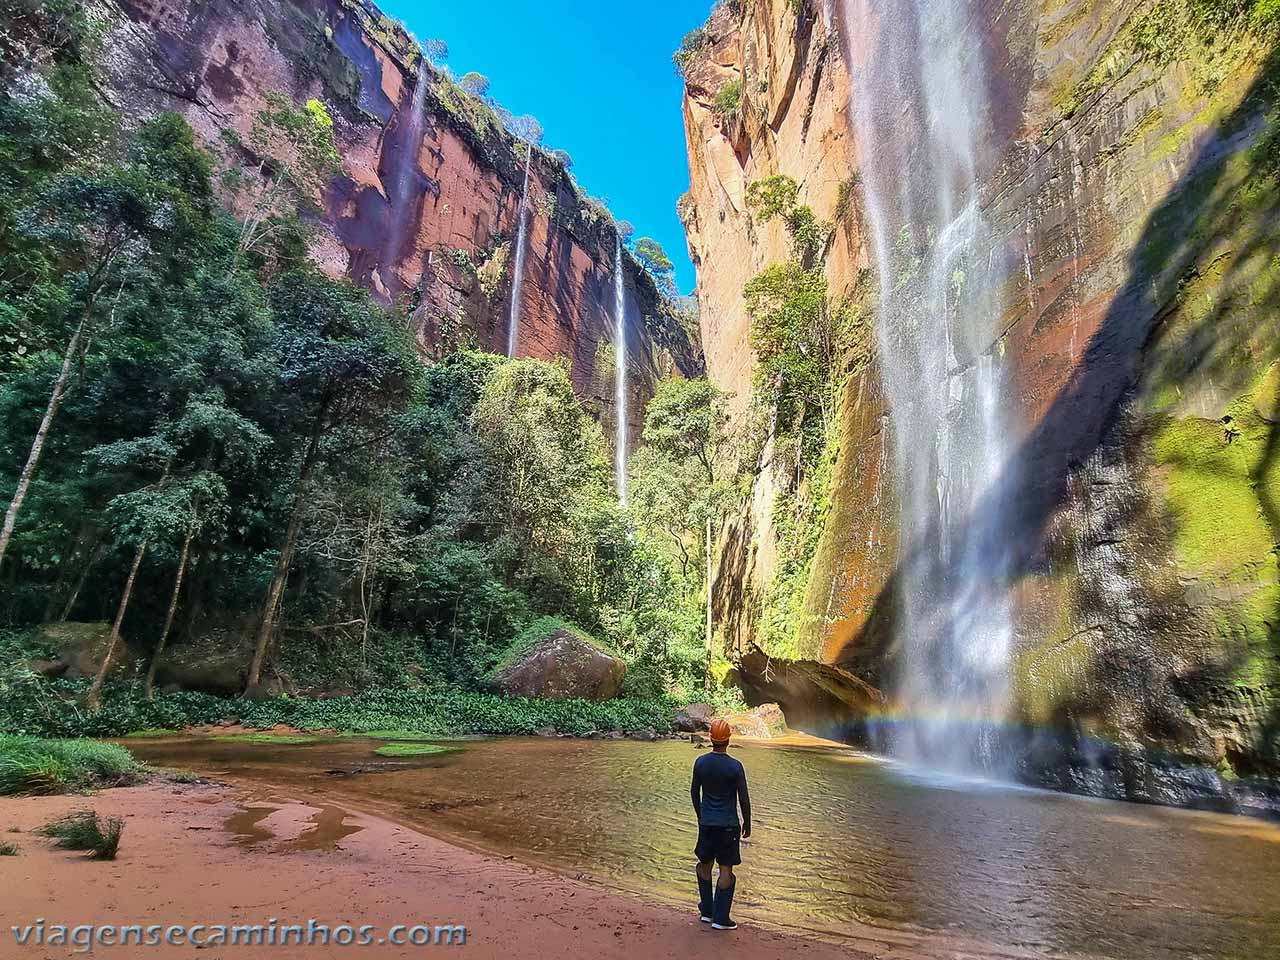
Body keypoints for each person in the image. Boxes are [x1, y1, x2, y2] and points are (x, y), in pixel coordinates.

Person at [690, 717, 751, 930]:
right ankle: (721, 918)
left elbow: (694, 792)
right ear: (727, 739)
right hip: (728, 825)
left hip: (707, 824)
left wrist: (701, 815)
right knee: (726, 869)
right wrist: (747, 822)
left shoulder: (701, 762)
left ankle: (707, 911)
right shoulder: (735, 767)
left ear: (710, 738)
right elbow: (743, 797)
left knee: (704, 865)